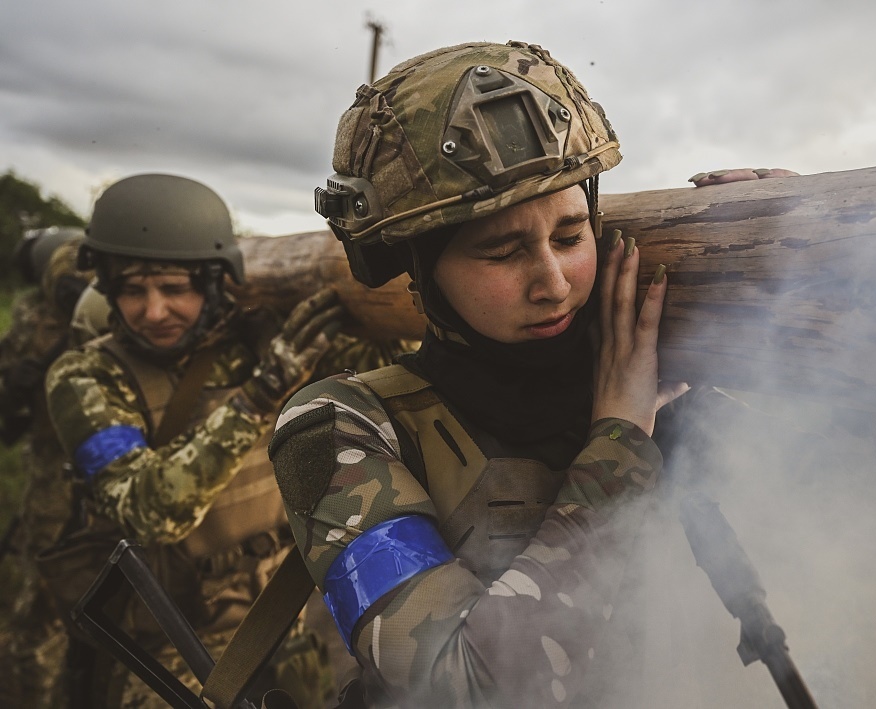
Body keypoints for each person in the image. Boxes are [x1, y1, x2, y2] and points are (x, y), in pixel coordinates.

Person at [269, 41, 690, 708]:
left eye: (570, 237)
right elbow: (460, 688)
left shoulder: (651, 375)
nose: (553, 283)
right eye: (501, 251)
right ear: (422, 267)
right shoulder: (339, 427)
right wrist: (618, 446)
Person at [44, 173, 411, 708]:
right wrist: (260, 393)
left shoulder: (261, 339)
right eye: (132, 290)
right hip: (164, 653)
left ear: (215, 284)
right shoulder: (86, 375)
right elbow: (149, 512)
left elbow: (392, 382)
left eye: (175, 289)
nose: (153, 311)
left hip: (276, 626)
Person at [0, 226, 91, 708]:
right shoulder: (33, 319)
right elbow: (9, 417)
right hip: (53, 477)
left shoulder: (115, 312)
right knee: (43, 605)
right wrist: (16, 385)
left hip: (109, 474)